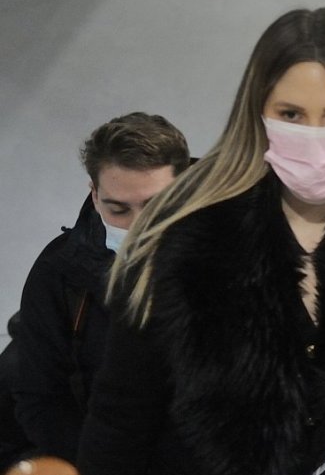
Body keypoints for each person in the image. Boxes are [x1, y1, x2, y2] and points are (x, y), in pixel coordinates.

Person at [76, 7, 325, 475]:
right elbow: (119, 421)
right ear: (259, 111)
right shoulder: (178, 236)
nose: (313, 136)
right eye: (291, 114)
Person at [3, 113, 190, 472]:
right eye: (118, 209)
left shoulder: (229, 261)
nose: (138, 227)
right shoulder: (60, 273)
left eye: (155, 206)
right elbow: (40, 397)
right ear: (94, 193)